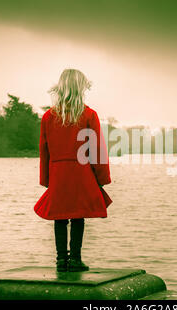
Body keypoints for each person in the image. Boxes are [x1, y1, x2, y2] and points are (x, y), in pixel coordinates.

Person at [35, 69, 112, 272]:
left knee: (59, 216)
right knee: (78, 216)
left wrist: (46, 180)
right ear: (80, 88)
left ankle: (61, 260)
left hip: (58, 174)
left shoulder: (48, 117)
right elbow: (97, 151)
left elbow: (45, 151)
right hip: (81, 173)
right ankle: (76, 260)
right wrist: (102, 178)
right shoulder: (89, 115)